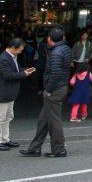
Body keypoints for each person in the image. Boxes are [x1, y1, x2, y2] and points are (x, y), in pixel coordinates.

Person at [20, 26, 72, 158]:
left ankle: (59, 149)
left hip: (55, 89)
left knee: (54, 120)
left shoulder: (56, 53)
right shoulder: (66, 49)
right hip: (61, 86)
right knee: (43, 119)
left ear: (49, 39)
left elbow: (55, 73)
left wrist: (48, 90)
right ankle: (35, 147)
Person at [0, 37, 36, 151]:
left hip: (10, 93)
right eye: (19, 50)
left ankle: (5, 139)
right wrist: (24, 74)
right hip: (3, 92)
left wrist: (25, 70)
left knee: (8, 117)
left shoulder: (12, 57)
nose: (20, 52)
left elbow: (16, 70)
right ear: (12, 47)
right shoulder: (3, 59)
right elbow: (8, 75)